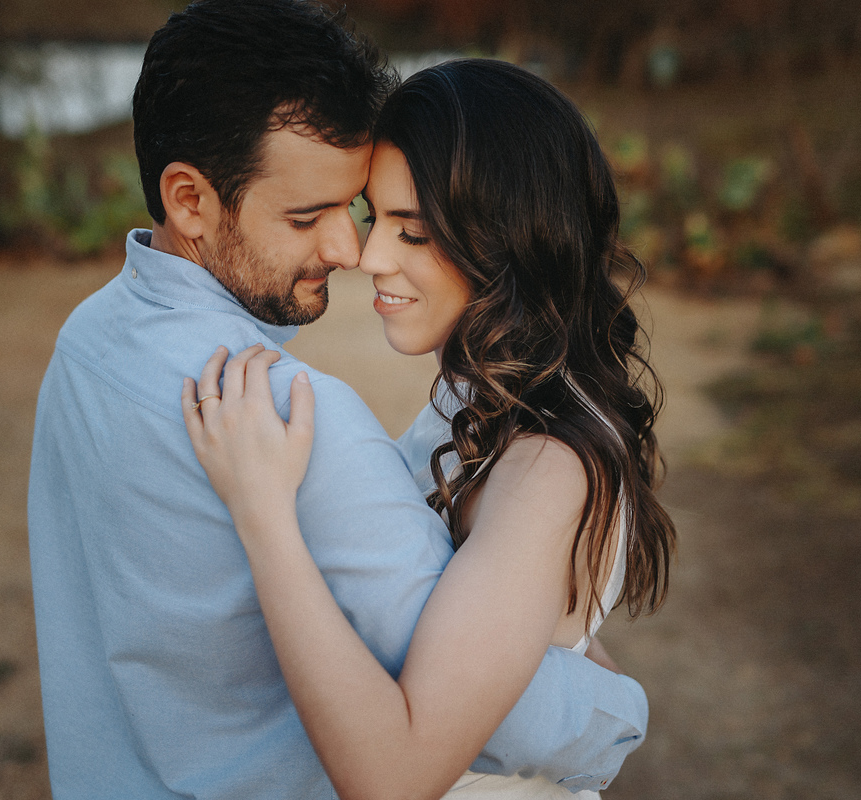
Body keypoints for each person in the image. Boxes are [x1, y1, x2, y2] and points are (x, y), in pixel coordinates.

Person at [28, 2, 648, 798]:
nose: (353, 251)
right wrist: (618, 712)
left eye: (381, 220)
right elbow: (491, 715)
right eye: (307, 216)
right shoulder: (286, 416)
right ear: (190, 200)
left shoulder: (85, 344)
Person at [182, 58, 676, 800]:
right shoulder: (488, 398)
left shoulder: (545, 464)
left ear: (508, 242)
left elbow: (394, 776)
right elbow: (521, 610)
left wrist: (264, 517)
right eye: (374, 218)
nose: (368, 256)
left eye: (412, 233)